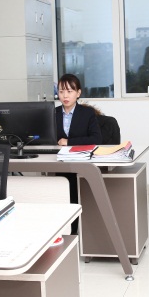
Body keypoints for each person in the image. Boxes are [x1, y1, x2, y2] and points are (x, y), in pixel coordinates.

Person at [55, 74, 101, 234]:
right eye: (61, 91)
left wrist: (69, 142)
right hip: (58, 162)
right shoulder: (52, 113)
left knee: (73, 192)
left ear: (78, 93)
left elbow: (96, 138)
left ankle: (75, 229)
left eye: (69, 91)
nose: (65, 96)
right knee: (59, 192)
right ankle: (64, 229)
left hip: (81, 162)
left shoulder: (87, 113)